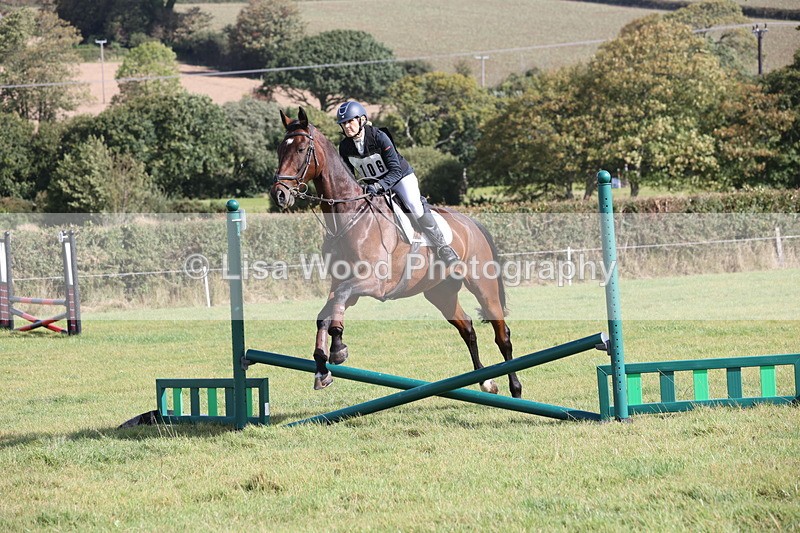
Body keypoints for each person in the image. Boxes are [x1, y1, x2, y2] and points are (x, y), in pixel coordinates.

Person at [335, 100, 459, 266]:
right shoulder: (344, 147)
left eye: (350, 121)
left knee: (414, 206)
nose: (347, 126)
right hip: (373, 186)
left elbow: (396, 170)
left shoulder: (379, 137)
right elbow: (349, 176)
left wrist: (379, 185)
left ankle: (443, 247)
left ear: (361, 120)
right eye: (343, 124)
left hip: (400, 179)